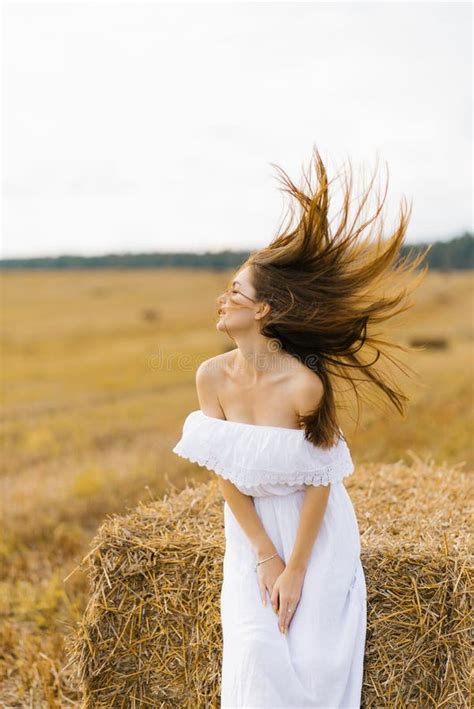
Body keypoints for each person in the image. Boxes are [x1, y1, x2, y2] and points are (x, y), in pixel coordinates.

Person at [172, 147, 430, 708]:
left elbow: (319, 482)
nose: (223, 298)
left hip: (315, 532)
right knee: (256, 654)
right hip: (251, 534)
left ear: (264, 310)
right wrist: (266, 556)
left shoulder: (304, 386)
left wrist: (297, 569)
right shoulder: (210, 377)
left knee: (315, 663)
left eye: (236, 291)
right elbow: (225, 476)